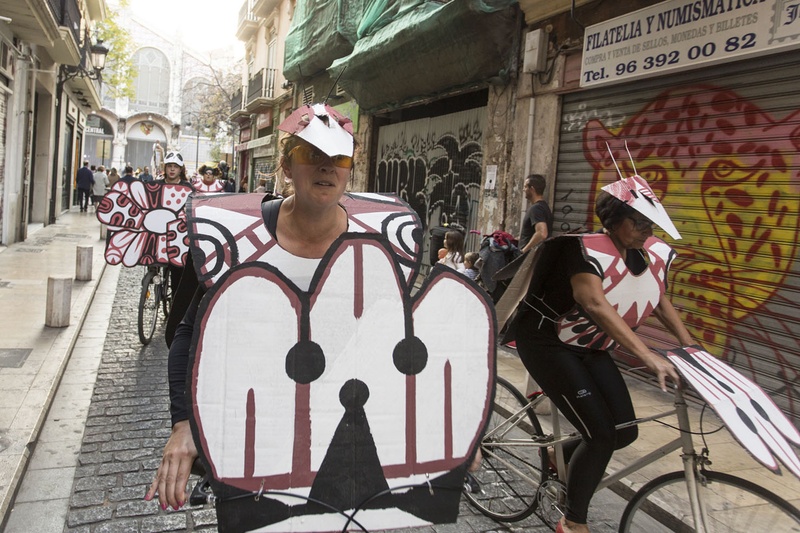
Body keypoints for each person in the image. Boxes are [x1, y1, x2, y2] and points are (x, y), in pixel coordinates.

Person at [146, 103, 492, 531]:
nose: (327, 168)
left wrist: (453, 431)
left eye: (339, 159)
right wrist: (184, 424)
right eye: (313, 155)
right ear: (288, 166)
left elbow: (400, 346)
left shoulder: (383, 239)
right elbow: (188, 337)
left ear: (350, 169)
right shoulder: (237, 235)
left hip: (344, 425)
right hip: (262, 421)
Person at [510, 170, 691, 533]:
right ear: (613, 220)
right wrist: (648, 356)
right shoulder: (583, 249)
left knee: (624, 431)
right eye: (637, 222)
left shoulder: (646, 254)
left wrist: (691, 347)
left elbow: (658, 301)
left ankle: (554, 454)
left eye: (649, 223)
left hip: (590, 345)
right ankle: (573, 522)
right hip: (548, 342)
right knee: (601, 435)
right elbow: (594, 303)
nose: (646, 230)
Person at [518, 173, 553, 253]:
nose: (524, 190)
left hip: (529, 257)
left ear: (532, 189)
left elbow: (542, 233)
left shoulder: (536, 208)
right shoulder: (544, 207)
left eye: (526, 187)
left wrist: (524, 251)